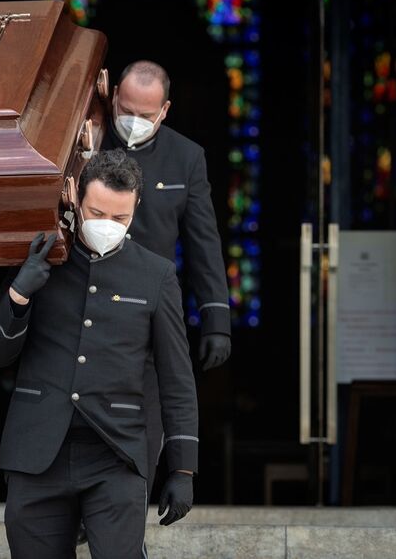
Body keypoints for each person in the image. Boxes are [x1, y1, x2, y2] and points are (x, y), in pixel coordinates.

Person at [0, 150, 198, 558]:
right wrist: (19, 293)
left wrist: (183, 467)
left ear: (136, 208)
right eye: (96, 213)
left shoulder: (156, 275)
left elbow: (177, 379)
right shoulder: (39, 257)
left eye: (120, 218)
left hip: (115, 452)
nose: (107, 226)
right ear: (74, 197)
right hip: (37, 450)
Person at [102, 59, 231, 492]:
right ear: (113, 94)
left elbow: (203, 242)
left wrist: (216, 318)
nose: (133, 122)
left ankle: (130, 496)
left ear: (165, 111)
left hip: (151, 306)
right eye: (127, 110)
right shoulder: (81, 137)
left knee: (149, 409)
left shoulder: (186, 157)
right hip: (89, 296)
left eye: (145, 115)